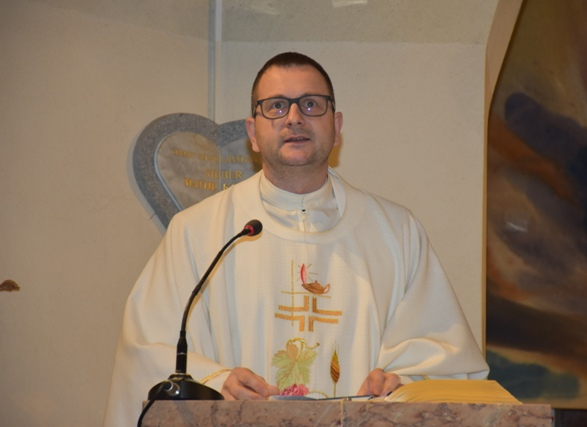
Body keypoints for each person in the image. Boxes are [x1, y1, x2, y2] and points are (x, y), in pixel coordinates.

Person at [103, 52, 489, 426]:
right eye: (275, 106)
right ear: (252, 133)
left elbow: (446, 364)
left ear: (336, 126)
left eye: (310, 104)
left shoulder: (396, 233)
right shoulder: (197, 232)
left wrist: (400, 384)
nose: (293, 117)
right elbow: (149, 351)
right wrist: (218, 382)